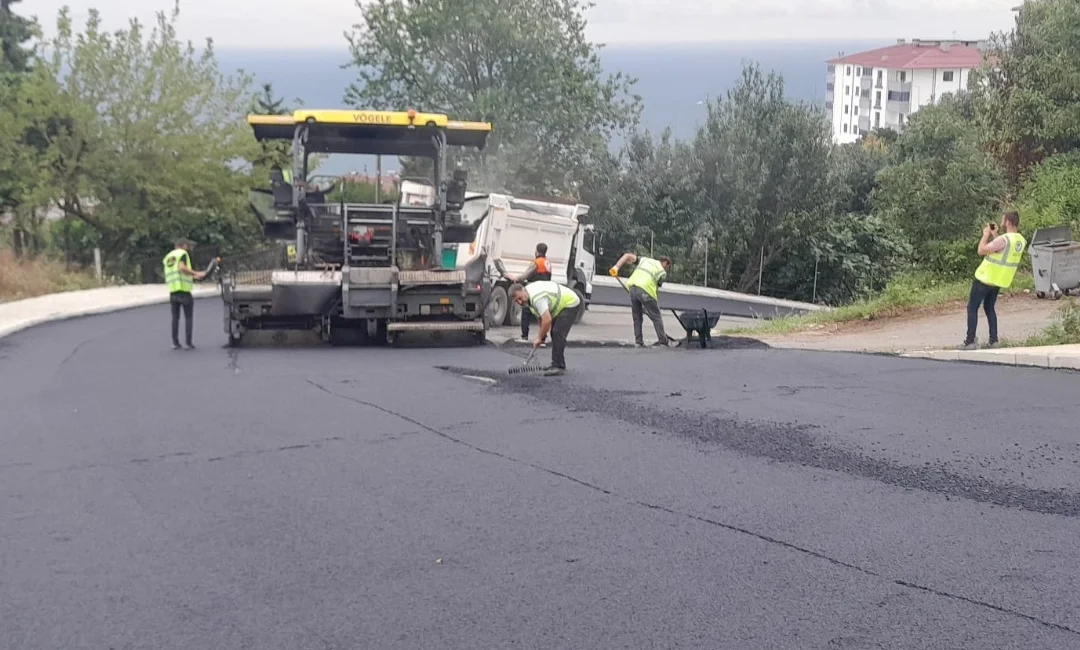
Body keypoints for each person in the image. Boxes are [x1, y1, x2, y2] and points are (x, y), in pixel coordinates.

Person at [962, 210, 1027, 350]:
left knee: (972, 308)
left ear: (1008, 222)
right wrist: (995, 234)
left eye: (1003, 220)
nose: (1002, 223)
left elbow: (981, 250)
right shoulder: (1019, 240)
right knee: (989, 308)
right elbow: (1002, 249)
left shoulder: (1003, 239)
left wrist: (986, 235)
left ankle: (970, 341)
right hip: (998, 280)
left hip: (985, 278)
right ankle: (994, 340)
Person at [508, 280, 581, 376]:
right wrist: (542, 336)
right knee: (554, 332)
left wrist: (539, 337)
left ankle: (558, 366)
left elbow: (547, 320)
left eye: (520, 298)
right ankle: (556, 363)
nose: (520, 302)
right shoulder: (528, 298)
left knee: (557, 332)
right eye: (517, 301)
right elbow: (541, 318)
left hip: (570, 302)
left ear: (523, 290)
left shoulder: (537, 298)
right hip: (559, 305)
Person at [609, 252, 673, 347]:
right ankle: (663, 341)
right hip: (646, 291)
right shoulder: (662, 272)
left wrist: (616, 268)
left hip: (632, 288)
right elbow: (655, 287)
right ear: (665, 263)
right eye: (667, 267)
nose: (666, 269)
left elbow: (627, 255)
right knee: (656, 316)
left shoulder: (645, 260)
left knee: (637, 317)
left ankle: (638, 342)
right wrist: (649, 303)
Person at [163, 238, 206, 350]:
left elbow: (176, 272)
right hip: (184, 291)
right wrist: (196, 273)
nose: (189, 248)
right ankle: (188, 343)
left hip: (173, 291)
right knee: (188, 317)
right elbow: (182, 268)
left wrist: (193, 276)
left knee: (175, 318)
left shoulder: (168, 257)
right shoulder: (182, 254)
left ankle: (175, 342)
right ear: (184, 245)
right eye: (188, 246)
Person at [512, 243, 553, 343]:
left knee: (526, 312)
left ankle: (524, 336)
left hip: (534, 291)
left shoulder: (536, 262)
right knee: (542, 315)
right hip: (545, 292)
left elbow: (526, 275)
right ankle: (543, 338)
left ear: (537, 251)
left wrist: (517, 278)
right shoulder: (548, 263)